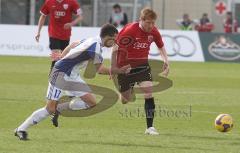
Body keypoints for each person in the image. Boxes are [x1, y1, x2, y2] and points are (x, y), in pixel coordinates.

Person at [15, 24, 131, 140]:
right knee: (49, 109)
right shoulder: (95, 47)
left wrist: (62, 57)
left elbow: (71, 45)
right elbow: (100, 70)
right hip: (60, 74)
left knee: (91, 102)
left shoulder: (92, 40)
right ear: (107, 37)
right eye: (114, 40)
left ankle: (59, 108)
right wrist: (120, 71)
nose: (115, 43)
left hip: (72, 76)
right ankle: (21, 129)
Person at [111, 8, 169, 135]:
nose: (151, 26)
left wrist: (166, 60)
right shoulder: (130, 30)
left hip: (142, 66)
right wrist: (114, 68)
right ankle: (125, 90)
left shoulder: (154, 32)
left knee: (149, 93)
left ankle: (150, 127)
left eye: (153, 23)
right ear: (141, 20)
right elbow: (116, 47)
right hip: (125, 68)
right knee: (125, 100)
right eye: (148, 22)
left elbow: (160, 46)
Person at [35, 0, 83, 72]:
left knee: (63, 58)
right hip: (53, 34)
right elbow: (43, 16)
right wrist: (38, 32)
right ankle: (52, 76)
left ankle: (60, 76)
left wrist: (71, 24)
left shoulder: (72, 2)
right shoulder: (49, 2)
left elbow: (80, 17)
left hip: (66, 35)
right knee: (56, 56)